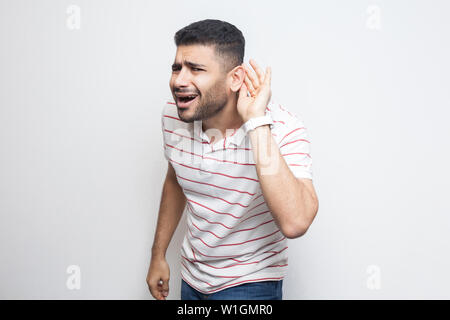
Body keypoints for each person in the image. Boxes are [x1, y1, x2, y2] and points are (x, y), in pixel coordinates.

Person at [146, 19, 319, 300]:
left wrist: (256, 122)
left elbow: (295, 223)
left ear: (235, 78)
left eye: (196, 69)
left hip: (251, 285)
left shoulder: (284, 128)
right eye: (177, 68)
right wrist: (158, 254)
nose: (179, 81)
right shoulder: (174, 116)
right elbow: (176, 179)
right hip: (192, 278)